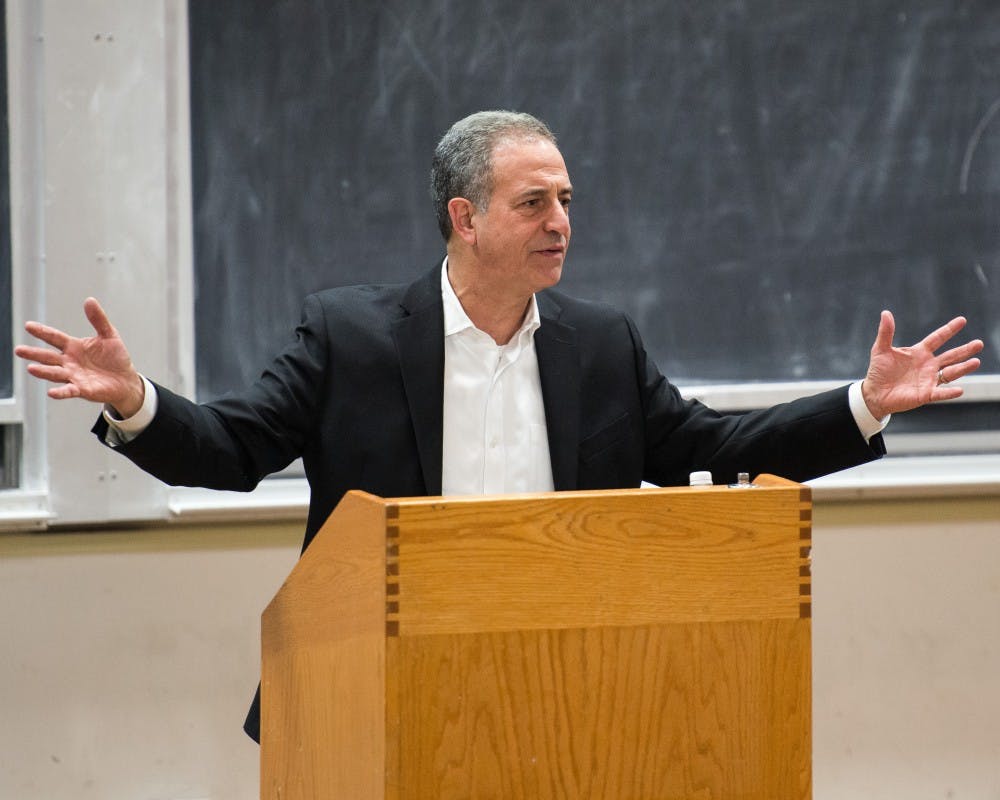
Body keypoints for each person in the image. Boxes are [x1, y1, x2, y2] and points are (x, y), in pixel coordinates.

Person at [14, 111, 984, 741]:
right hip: (374, 687)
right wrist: (133, 397)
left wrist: (863, 406)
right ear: (465, 217)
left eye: (566, 199)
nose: (560, 219)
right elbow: (234, 449)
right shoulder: (349, 333)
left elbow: (710, 453)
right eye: (534, 201)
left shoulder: (600, 344)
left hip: (564, 686)